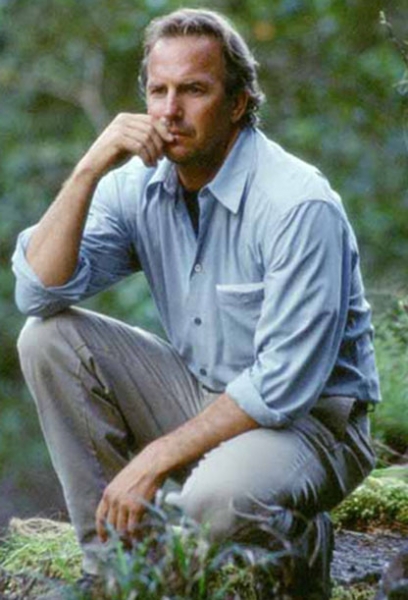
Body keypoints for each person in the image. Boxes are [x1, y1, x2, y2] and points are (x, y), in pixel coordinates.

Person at [13, 8, 380, 599]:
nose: (169, 110)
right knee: (46, 338)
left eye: (193, 90)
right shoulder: (138, 185)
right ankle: (115, 573)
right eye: (158, 91)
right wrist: (87, 169)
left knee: (214, 502)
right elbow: (37, 290)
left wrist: (154, 458)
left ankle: (300, 540)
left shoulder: (297, 204)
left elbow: (281, 387)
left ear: (237, 103)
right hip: (204, 393)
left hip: (310, 424)